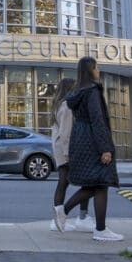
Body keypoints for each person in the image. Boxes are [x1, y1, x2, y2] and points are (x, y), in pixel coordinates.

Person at [53, 56, 123, 242]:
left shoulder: (77, 93)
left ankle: (91, 224)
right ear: (90, 69)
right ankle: (95, 227)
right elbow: (97, 120)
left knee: (95, 184)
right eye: (97, 67)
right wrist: (105, 148)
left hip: (80, 140)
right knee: (101, 182)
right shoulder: (92, 91)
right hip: (92, 141)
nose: (99, 70)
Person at [49, 77, 91, 232]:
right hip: (66, 150)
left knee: (64, 183)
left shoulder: (59, 104)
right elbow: (66, 133)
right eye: (75, 87)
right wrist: (68, 155)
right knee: (84, 181)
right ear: (69, 89)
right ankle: (78, 218)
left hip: (62, 148)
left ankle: (65, 219)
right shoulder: (67, 105)